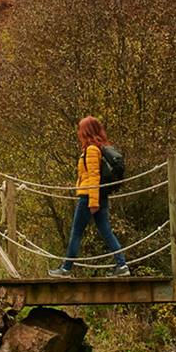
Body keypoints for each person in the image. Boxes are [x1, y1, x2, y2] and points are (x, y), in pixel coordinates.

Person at [48, 116, 131, 277]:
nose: (78, 132)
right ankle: (122, 265)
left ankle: (66, 269)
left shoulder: (92, 149)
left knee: (77, 232)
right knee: (106, 231)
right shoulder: (95, 148)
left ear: (86, 131)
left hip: (89, 197)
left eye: (80, 129)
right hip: (98, 196)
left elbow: (94, 176)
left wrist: (93, 202)